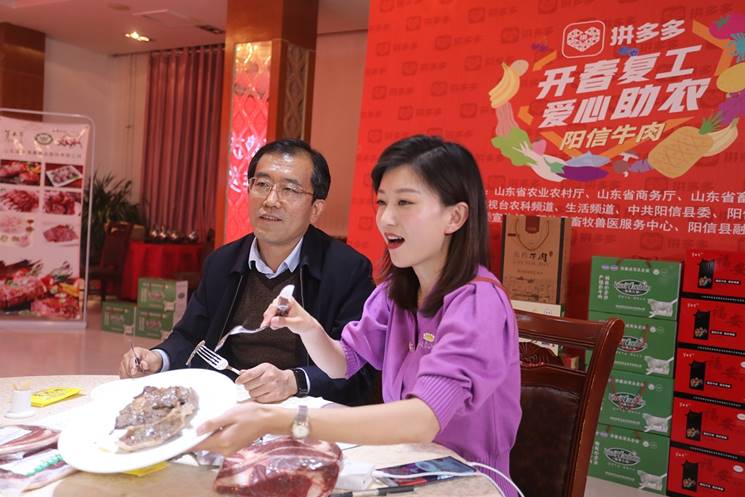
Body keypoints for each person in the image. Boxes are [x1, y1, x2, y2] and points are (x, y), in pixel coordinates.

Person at [195, 135, 522, 493]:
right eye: (382, 202)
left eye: (405, 202)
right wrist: (308, 328)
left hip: (466, 482)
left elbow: (422, 419)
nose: (386, 218)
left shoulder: (478, 303)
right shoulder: (395, 293)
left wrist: (280, 419)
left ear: (455, 216)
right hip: (404, 467)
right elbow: (342, 362)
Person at [119, 139, 378, 406]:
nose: (271, 200)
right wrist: (158, 358)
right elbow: (190, 336)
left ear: (315, 209)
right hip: (230, 401)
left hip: (304, 410)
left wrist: (294, 381)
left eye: (289, 189)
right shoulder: (222, 262)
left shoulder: (347, 270)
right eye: (262, 185)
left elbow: (359, 370)